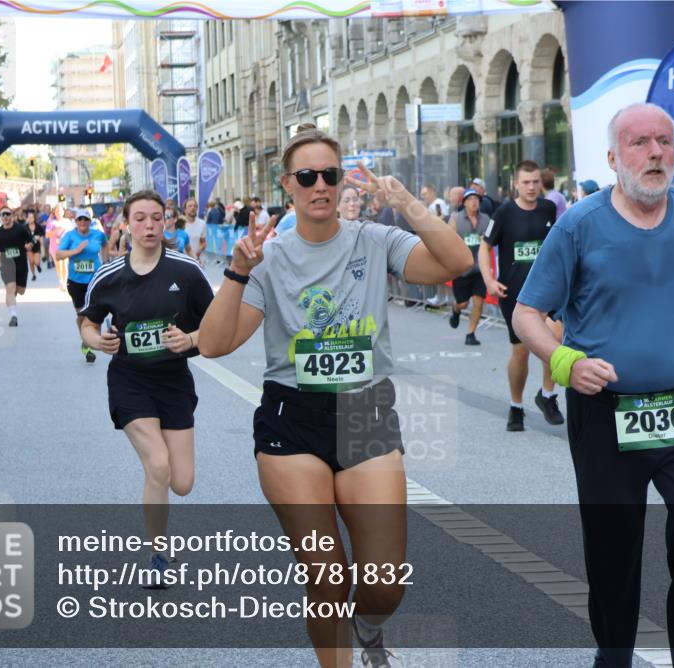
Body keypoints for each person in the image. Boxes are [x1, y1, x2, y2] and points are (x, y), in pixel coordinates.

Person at [198, 123, 472, 668]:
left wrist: (408, 204)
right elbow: (212, 344)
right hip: (292, 420)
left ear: (341, 178)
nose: (319, 185)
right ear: (288, 185)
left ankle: (368, 627)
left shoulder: (374, 240)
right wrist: (236, 272)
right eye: (307, 176)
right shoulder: (268, 258)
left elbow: (457, 264)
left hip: (365, 413)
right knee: (327, 576)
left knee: (384, 583)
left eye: (329, 174)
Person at [513, 103, 674, 668]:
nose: (655, 152)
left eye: (664, 140)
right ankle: (614, 656)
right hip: (605, 412)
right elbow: (526, 314)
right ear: (614, 158)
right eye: (639, 142)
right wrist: (565, 364)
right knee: (614, 557)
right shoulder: (579, 224)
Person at [79, 189, 214, 581]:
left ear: (166, 222)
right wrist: (95, 341)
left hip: (173, 382)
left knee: (182, 482)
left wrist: (189, 340)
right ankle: (158, 556)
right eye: (140, 218)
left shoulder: (186, 271)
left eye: (156, 217)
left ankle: (158, 490)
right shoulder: (109, 275)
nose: (149, 225)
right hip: (129, 380)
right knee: (158, 465)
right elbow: (87, 322)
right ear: (126, 224)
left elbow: (218, 323)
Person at [479, 160, 564, 430]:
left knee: (554, 340)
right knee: (521, 351)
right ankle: (516, 406)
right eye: (526, 182)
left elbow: (559, 245)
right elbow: (484, 247)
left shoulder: (549, 208)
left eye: (536, 182)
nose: (531, 187)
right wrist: (489, 280)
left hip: (547, 291)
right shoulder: (503, 213)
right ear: (516, 184)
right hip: (515, 293)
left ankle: (548, 395)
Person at [56, 209, 110, 362]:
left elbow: (105, 245)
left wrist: (105, 262)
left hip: (95, 280)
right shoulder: (70, 236)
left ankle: (89, 341)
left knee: (94, 314)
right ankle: (86, 339)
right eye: (79, 219)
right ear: (76, 221)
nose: (82, 222)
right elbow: (58, 255)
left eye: (85, 219)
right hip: (76, 281)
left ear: (89, 221)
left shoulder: (98, 234)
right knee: (81, 316)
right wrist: (76, 250)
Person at [448, 189, 491, 345]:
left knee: (478, 302)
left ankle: (470, 334)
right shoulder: (455, 218)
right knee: (463, 303)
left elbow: (492, 240)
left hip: (479, 268)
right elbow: (449, 241)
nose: (474, 202)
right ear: (464, 202)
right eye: (470, 199)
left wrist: (486, 240)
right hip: (462, 268)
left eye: (477, 199)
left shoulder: (486, 219)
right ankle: (456, 309)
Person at [0, 207, 34, 326]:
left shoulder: (20, 229)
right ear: (0, 217)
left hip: (21, 264)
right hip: (6, 265)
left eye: (7, 214)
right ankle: (13, 316)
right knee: (10, 289)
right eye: (2, 214)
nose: (5, 216)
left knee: (20, 291)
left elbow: (30, 240)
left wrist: (29, 245)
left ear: (12, 215)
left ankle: (12, 297)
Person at [182, 198, 207, 265]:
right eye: (190, 206)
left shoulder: (202, 223)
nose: (193, 208)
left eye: (195, 206)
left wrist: (199, 251)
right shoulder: (180, 224)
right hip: (183, 261)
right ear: (185, 209)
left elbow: (203, 242)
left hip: (197, 261)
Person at [25, 210, 44, 280]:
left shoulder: (38, 226)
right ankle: (33, 275)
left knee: (37, 262)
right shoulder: (25, 227)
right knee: (31, 261)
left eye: (31, 217)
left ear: (34, 218)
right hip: (29, 247)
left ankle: (38, 265)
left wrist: (39, 238)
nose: (30, 219)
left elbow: (41, 236)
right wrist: (25, 244)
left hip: (37, 246)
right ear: (27, 218)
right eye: (29, 218)